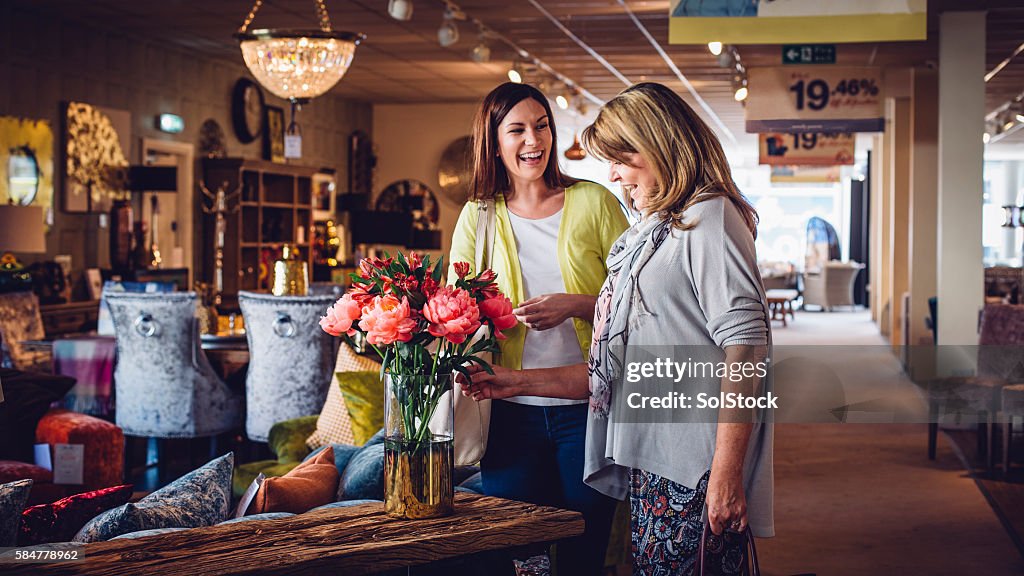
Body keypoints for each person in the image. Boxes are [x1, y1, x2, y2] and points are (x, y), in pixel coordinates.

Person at [463, 82, 773, 575]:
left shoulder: (710, 217)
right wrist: (515, 382)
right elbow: (615, 367)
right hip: (651, 461)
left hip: (694, 467)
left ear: (657, 145)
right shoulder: (660, 227)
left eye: (620, 159)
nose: (612, 175)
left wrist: (727, 473)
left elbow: (746, 350)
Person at [448, 82, 628, 576]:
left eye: (542, 125)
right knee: (517, 556)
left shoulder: (594, 202)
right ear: (495, 140)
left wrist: (577, 305)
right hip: (508, 415)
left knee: (583, 553)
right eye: (518, 129)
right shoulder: (478, 216)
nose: (534, 140)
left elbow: (640, 303)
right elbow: (454, 312)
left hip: (587, 411)